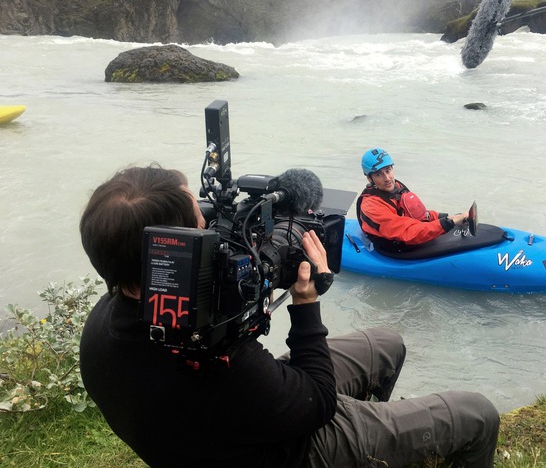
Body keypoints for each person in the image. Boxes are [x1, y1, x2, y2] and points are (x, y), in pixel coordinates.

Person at [79, 163, 499, 468]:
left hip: (235, 423)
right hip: (291, 445)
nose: (214, 226)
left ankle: (375, 453)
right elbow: (315, 402)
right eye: (203, 221)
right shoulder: (206, 356)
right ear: (174, 252)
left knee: (387, 343)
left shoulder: (110, 323)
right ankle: (362, 447)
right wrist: (305, 304)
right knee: (477, 413)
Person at [357, 148, 468, 252]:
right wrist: (448, 223)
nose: (387, 178)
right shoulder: (371, 206)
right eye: (378, 174)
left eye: (388, 170)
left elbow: (417, 214)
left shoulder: (395, 187)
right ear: (369, 178)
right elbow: (408, 232)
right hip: (394, 247)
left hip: (405, 234)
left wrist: (445, 217)